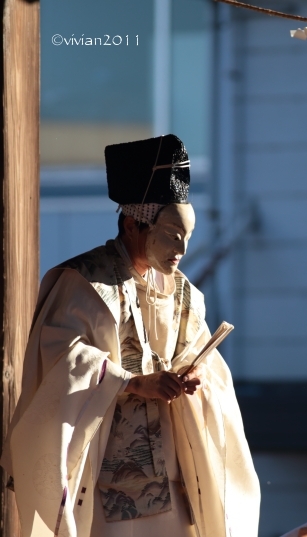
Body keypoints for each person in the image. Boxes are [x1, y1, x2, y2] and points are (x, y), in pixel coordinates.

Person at [1, 134, 260, 537]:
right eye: (171, 233)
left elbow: (208, 368)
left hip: (173, 476)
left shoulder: (186, 296)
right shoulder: (85, 283)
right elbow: (60, 362)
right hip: (105, 477)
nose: (182, 248)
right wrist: (132, 382)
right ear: (132, 223)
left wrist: (194, 378)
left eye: (187, 236)